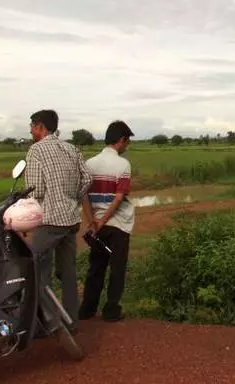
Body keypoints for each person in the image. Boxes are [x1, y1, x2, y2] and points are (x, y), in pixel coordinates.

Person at [25, 109, 92, 329]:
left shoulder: (36, 150)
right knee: (68, 273)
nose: (31, 130)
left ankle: (51, 323)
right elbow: (87, 178)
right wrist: (73, 197)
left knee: (37, 272)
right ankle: (71, 322)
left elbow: (35, 191)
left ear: (41, 127)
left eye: (33, 126)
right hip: (71, 221)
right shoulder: (72, 149)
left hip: (48, 222)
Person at [79, 120, 135, 322]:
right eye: (127, 142)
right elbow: (119, 197)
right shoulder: (123, 164)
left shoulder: (89, 164)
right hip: (118, 224)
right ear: (121, 140)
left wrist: (92, 220)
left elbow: (83, 194)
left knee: (96, 267)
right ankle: (111, 311)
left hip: (96, 226)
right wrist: (103, 220)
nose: (127, 146)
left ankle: (87, 309)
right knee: (117, 268)